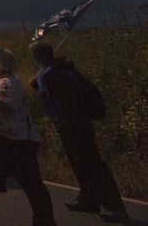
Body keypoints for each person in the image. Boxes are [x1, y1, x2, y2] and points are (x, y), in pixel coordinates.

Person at [29, 41, 128, 223]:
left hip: (75, 125)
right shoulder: (55, 71)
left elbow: (70, 100)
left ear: (39, 57)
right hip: (68, 125)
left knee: (93, 164)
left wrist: (67, 120)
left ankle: (115, 207)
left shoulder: (59, 74)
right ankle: (88, 198)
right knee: (79, 163)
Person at [0, 48, 55, 226]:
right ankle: (42, 218)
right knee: (27, 181)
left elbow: (8, 108)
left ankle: (44, 219)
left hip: (19, 140)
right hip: (8, 138)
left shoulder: (8, 83)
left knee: (31, 183)